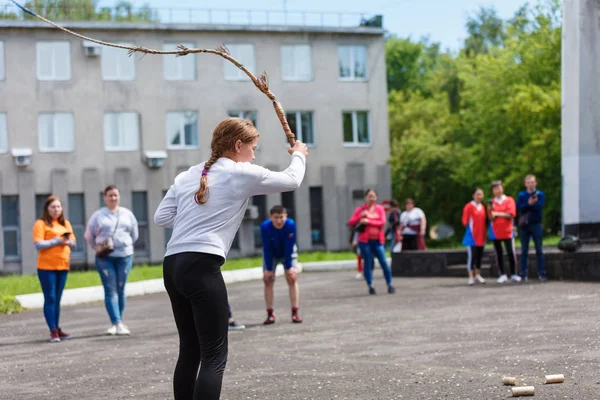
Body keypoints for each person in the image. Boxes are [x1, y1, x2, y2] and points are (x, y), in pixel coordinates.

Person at [154, 117, 308, 400]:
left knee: (190, 350)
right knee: (214, 356)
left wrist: (195, 218)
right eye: (253, 148)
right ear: (238, 146)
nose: (253, 155)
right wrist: (299, 153)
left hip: (172, 265)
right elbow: (292, 179)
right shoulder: (239, 173)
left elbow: (161, 217)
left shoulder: (188, 174)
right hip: (201, 265)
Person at [85, 185, 139, 336]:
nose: (113, 198)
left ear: (119, 196)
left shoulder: (127, 214)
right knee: (111, 290)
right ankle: (116, 322)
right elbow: (89, 236)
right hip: (105, 258)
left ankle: (118, 322)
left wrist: (125, 245)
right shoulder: (98, 216)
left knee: (121, 289)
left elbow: (134, 234)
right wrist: (96, 247)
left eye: (115, 195)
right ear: (104, 197)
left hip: (125, 256)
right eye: (110, 195)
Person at [33, 195, 77, 343]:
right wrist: (56, 241)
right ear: (47, 209)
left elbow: (74, 244)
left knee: (57, 299)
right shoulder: (41, 223)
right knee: (50, 298)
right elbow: (38, 244)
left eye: (58, 207)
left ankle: (57, 328)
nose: (56, 209)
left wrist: (67, 241)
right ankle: (52, 330)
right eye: (53, 207)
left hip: (63, 265)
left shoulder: (66, 224)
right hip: (46, 267)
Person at [348, 189, 395, 295]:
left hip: (378, 241)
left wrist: (368, 220)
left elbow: (382, 222)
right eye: (369, 196)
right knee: (368, 263)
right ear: (366, 197)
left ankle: (389, 284)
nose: (371, 198)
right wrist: (361, 216)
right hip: (364, 241)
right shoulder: (361, 209)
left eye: (373, 196)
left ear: (376, 197)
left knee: (383, 262)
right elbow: (351, 222)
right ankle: (370, 285)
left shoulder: (380, 209)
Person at [261, 205, 302, 324]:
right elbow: (266, 248)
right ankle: (270, 314)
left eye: (281, 217)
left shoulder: (290, 224)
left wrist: (289, 267)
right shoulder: (265, 227)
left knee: (292, 278)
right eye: (275, 217)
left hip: (288, 252)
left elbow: (290, 246)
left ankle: (295, 312)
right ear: (270, 217)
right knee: (267, 280)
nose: (279, 221)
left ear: (286, 216)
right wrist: (268, 269)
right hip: (271, 253)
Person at [487, 180, 520, 283]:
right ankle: (502, 274)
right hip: (495, 231)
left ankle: (514, 273)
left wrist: (496, 213)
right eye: (495, 189)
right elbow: (491, 218)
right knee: (499, 253)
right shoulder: (492, 202)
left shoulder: (509, 200)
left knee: (510, 252)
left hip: (508, 230)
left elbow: (511, 214)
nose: (497, 190)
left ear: (502, 188)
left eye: (499, 188)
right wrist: (489, 211)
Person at [517, 175, 547, 281]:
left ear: (536, 183)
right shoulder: (521, 195)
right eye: (528, 182)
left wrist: (530, 205)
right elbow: (520, 208)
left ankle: (541, 273)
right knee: (524, 250)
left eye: (532, 182)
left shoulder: (540, 194)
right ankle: (523, 273)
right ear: (525, 184)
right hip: (525, 225)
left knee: (539, 250)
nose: (530, 184)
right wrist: (529, 204)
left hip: (536, 224)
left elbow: (539, 207)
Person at [461, 189, 487, 286]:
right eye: (477, 194)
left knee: (479, 256)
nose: (479, 196)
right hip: (471, 236)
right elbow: (465, 221)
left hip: (481, 236)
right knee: (472, 256)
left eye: (481, 194)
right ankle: (471, 276)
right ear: (473, 196)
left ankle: (478, 274)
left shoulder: (483, 207)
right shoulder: (469, 206)